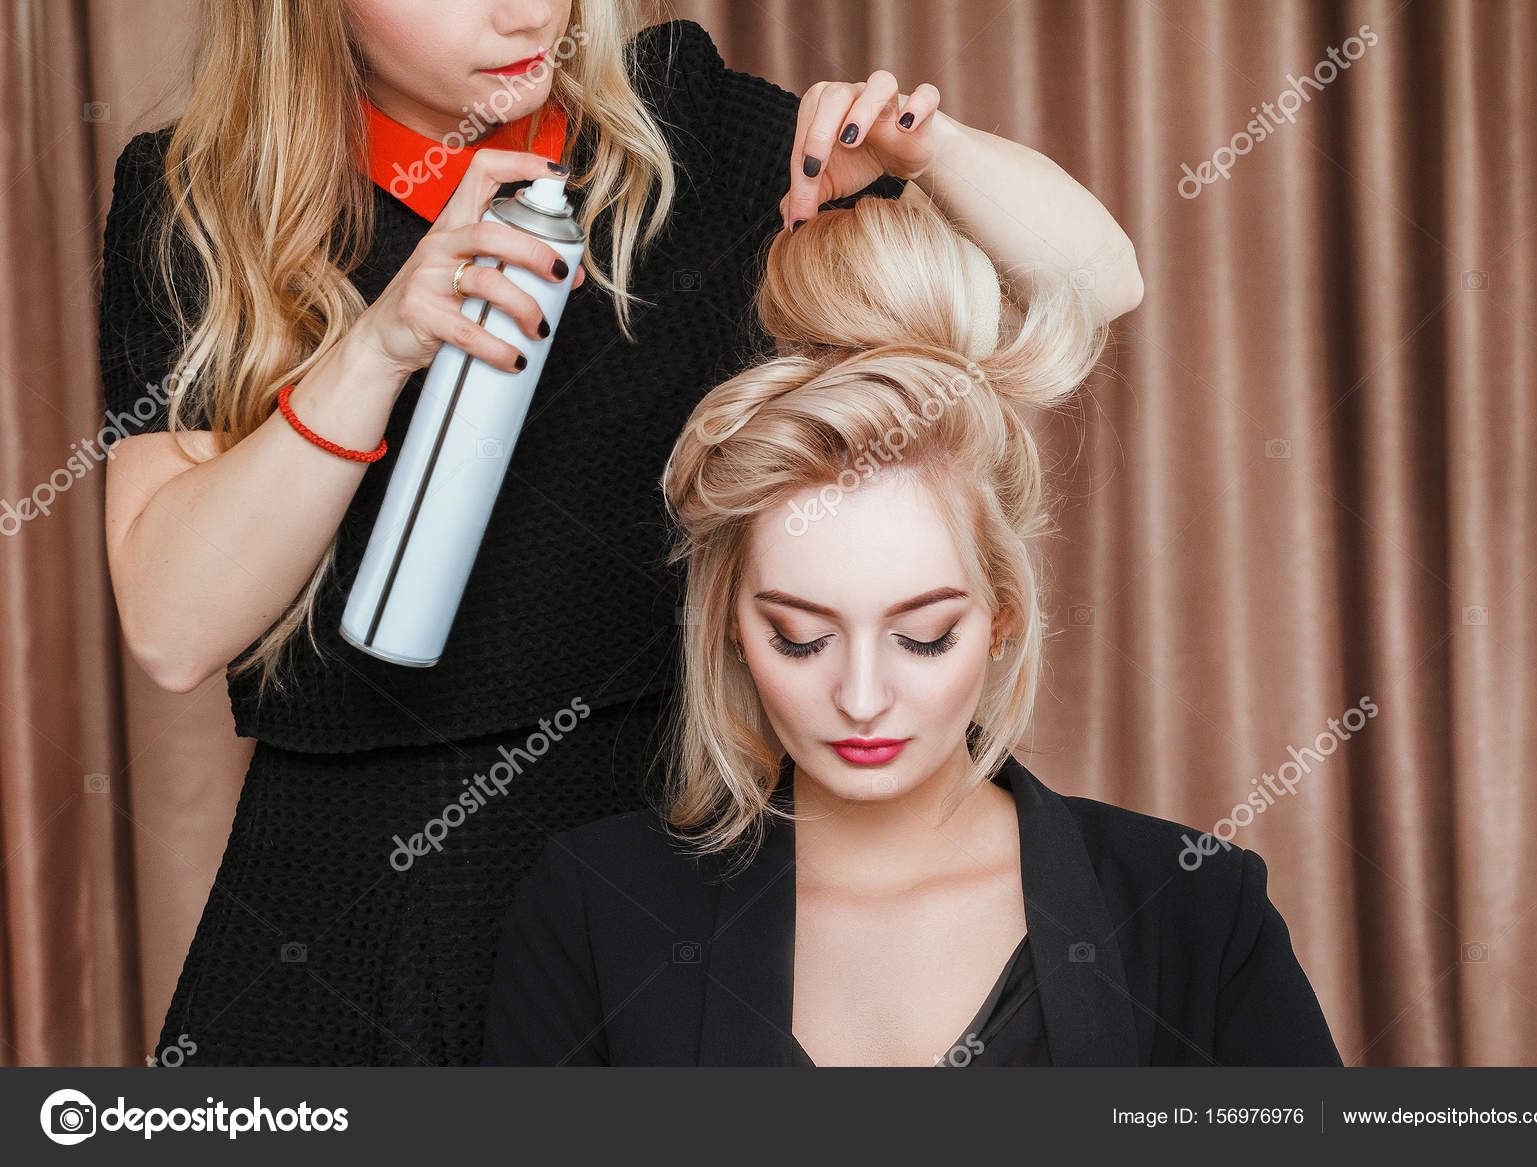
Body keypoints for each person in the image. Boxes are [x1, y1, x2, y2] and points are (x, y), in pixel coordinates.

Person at [98, 1, 1143, 1066]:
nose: (521, 12)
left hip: (675, 855)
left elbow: (1099, 283)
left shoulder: (683, 132)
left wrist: (937, 154)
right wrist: (377, 348)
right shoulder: (201, 207)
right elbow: (174, 631)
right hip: (359, 899)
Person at [481, 193, 1339, 1066]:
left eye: (922, 635)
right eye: (800, 638)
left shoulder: (1193, 908)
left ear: (1003, 616)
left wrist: (928, 147)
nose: (860, 699)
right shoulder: (598, 908)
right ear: (733, 625)